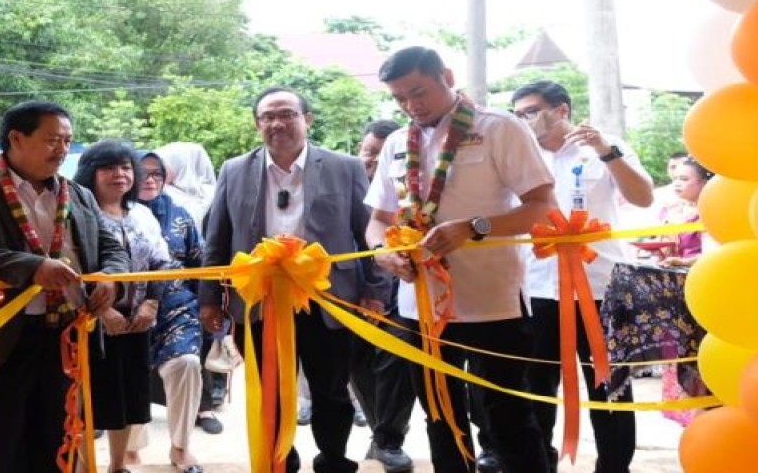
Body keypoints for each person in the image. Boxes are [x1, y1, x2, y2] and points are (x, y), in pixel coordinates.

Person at [364, 46, 555, 473]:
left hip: (494, 304)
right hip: (423, 307)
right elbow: (377, 221)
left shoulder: (500, 128)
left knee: (507, 418)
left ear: (447, 76)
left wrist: (475, 227)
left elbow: (541, 206)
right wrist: (383, 252)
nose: (412, 106)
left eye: (419, 92)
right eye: (400, 98)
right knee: (439, 419)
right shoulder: (397, 142)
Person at [199, 86, 389, 473]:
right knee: (271, 390)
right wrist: (208, 299)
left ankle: (334, 459)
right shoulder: (234, 170)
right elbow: (216, 237)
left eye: (286, 114)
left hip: (330, 300)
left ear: (308, 119)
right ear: (257, 125)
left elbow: (369, 233)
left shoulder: (344, 167)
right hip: (259, 301)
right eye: (267, 117)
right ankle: (280, 462)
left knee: (331, 391)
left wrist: (374, 290)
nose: (277, 124)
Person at [0, 101, 128, 473]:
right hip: (1, 340)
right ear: (15, 139)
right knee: (0, 447)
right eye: (52, 140)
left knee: (56, 444)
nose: (62, 150)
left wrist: (111, 277)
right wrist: (33, 268)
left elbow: (111, 247)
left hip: (66, 339)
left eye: (67, 141)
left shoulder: (79, 194)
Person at [511, 80, 655, 473]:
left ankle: (613, 466)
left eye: (529, 111)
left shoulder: (604, 147)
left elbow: (644, 196)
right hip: (539, 288)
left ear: (561, 111)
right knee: (536, 388)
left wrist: (608, 153)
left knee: (609, 388)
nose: (522, 120)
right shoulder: (517, 156)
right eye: (517, 113)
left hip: (601, 287)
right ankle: (538, 465)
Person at [72, 140, 174, 473]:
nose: (120, 174)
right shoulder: (79, 215)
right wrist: (103, 312)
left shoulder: (143, 214)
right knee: (88, 399)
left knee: (129, 399)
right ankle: (86, 465)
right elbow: (75, 270)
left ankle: (118, 466)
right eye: (109, 167)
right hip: (91, 323)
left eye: (126, 167)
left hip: (137, 322)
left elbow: (161, 262)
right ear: (91, 172)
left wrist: (151, 304)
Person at [128, 150, 210, 472]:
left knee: (187, 364)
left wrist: (210, 307)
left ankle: (181, 447)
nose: (150, 179)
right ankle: (131, 450)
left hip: (177, 308)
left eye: (157, 174)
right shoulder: (113, 212)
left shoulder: (180, 216)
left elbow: (199, 263)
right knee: (129, 370)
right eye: (143, 172)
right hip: (128, 309)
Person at [351, 119, 416, 472]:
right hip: (353, 291)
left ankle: (389, 438)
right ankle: (381, 433)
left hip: (399, 290)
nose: (372, 161)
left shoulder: (410, 187)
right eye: (368, 152)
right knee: (357, 361)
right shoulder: (348, 179)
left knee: (396, 357)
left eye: (380, 155)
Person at [156, 142, 228, 415]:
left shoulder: (211, 194)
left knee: (210, 338)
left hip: (206, 273)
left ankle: (207, 402)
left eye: (168, 164)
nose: (162, 171)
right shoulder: (157, 194)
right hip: (170, 281)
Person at [657, 157, 713, 268]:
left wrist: (683, 262)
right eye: (675, 179)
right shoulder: (670, 210)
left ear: (704, 182)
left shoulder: (711, 214)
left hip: (698, 274)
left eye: (684, 179)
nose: (677, 183)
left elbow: (713, 255)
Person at [155, 141, 218, 229]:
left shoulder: (216, 197)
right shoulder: (159, 194)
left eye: (162, 166)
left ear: (182, 166)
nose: (156, 173)